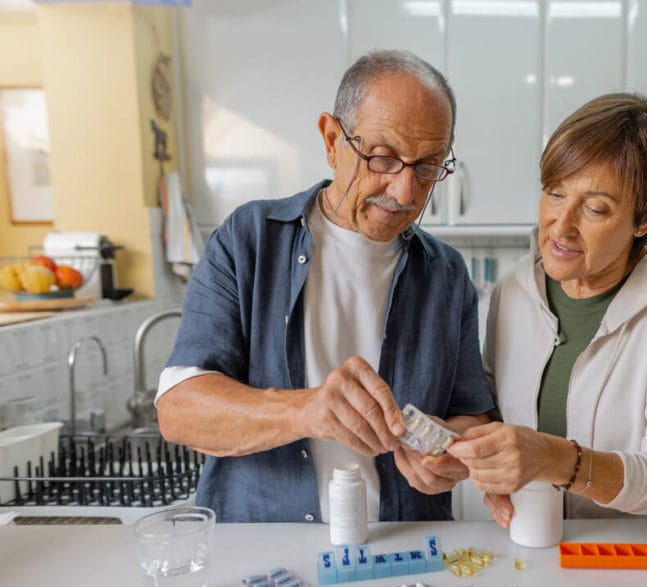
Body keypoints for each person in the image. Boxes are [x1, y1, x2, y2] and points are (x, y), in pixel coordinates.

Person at [156, 51, 493, 523]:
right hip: (269, 554)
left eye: (428, 166)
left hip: (408, 550)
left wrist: (448, 452)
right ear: (333, 139)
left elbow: (471, 415)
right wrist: (305, 410)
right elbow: (179, 411)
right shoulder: (248, 239)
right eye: (382, 157)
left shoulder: (446, 273)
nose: (405, 193)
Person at [447, 93, 647, 523]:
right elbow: (500, 420)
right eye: (555, 193)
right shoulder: (515, 290)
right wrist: (468, 455)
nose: (561, 226)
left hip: (637, 560)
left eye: (596, 208)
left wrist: (557, 460)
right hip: (531, 543)